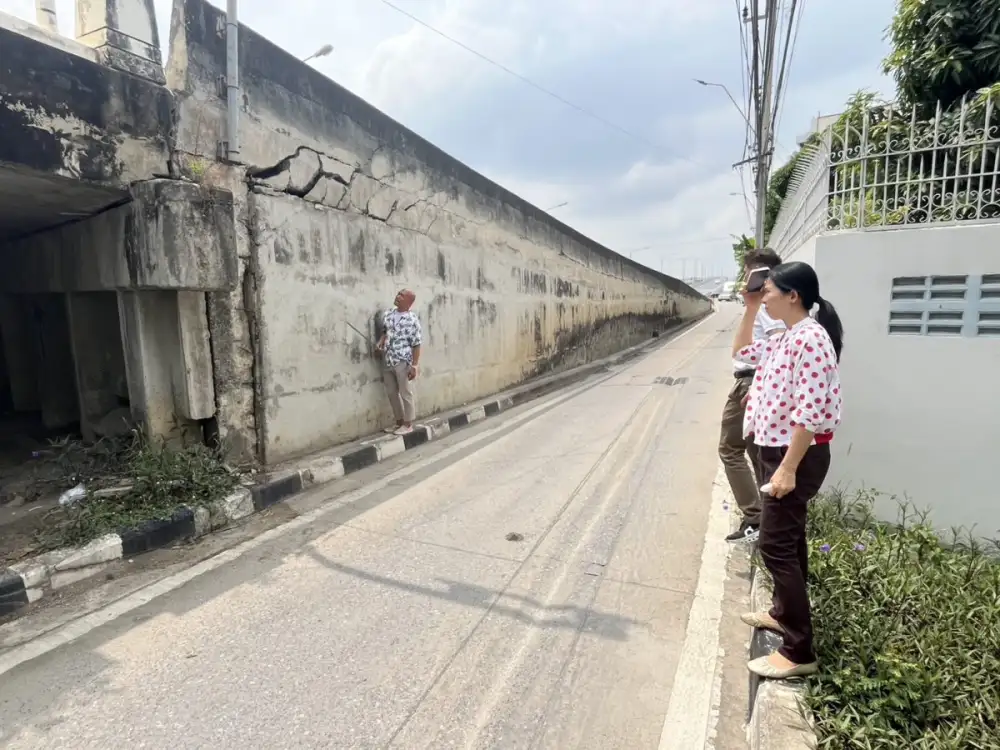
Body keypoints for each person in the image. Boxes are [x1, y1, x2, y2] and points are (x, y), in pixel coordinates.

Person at [731, 261, 844, 680]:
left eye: (770, 292)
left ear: (793, 296)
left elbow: (811, 412)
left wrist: (788, 469)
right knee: (790, 539)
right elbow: (742, 353)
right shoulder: (785, 336)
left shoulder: (811, 339)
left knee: (775, 546)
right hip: (777, 450)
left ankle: (799, 651)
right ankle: (783, 613)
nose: (765, 298)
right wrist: (748, 309)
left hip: (795, 455)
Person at [721, 248, 785, 544]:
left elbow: (776, 344)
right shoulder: (772, 302)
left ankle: (755, 517)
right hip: (754, 383)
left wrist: (760, 385)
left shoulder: (766, 304)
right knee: (755, 451)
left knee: (730, 449)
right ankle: (767, 517)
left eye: (748, 273)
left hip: (750, 383)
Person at [376, 289, 423, 436]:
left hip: (403, 360)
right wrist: (380, 343)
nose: (397, 296)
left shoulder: (412, 320)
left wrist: (414, 365)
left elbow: (416, 344)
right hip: (388, 359)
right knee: (391, 392)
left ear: (409, 301)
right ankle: (399, 422)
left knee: (405, 392)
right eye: (397, 294)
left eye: (401, 295)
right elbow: (385, 332)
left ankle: (408, 424)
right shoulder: (389, 314)